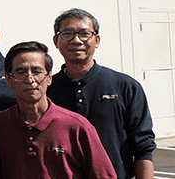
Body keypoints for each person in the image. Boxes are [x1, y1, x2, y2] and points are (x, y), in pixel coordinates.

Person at [48, 9, 156, 179]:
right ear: (56, 41)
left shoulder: (126, 87)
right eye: (67, 33)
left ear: (97, 40)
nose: (76, 40)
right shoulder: (47, 90)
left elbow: (143, 148)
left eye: (84, 34)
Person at [0, 41, 116, 179]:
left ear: (49, 77)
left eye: (37, 71)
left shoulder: (77, 126)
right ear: (9, 79)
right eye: (21, 72)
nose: (30, 79)